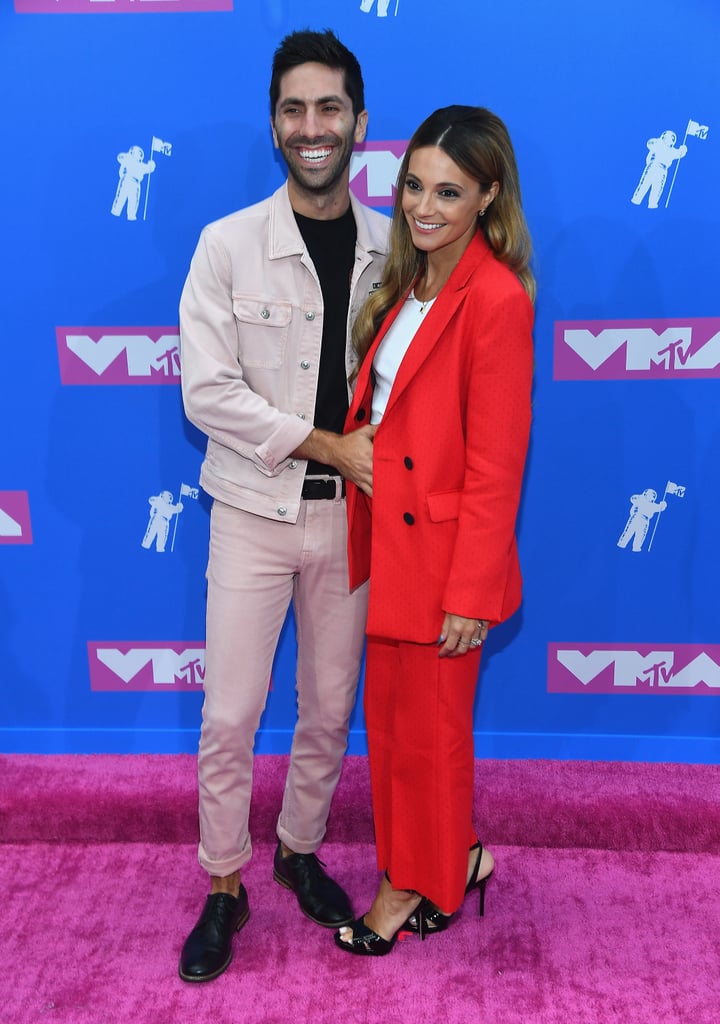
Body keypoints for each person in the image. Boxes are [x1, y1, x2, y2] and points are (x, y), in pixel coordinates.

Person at [178, 29, 389, 982]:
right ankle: (224, 881)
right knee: (230, 713)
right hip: (252, 513)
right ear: (274, 126)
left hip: (355, 521)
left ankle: (299, 851)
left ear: (360, 122)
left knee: (329, 709)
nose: (315, 128)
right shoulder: (226, 245)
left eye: (331, 108)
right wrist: (331, 445)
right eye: (296, 110)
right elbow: (208, 394)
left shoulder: (400, 245)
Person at [335, 105, 535, 956]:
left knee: (428, 740)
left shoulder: (493, 299)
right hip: (393, 545)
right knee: (397, 729)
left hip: (446, 564)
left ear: (488, 197)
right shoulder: (407, 280)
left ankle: (409, 888)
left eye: (448, 192)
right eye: (413, 184)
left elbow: (496, 468)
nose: (423, 205)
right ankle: (457, 856)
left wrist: (471, 594)